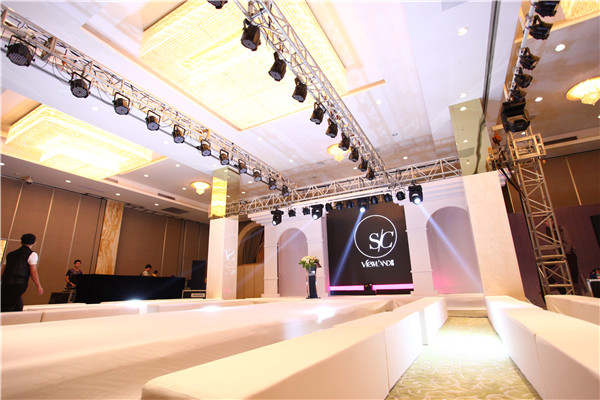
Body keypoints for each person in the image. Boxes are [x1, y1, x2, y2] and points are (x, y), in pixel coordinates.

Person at [1, 233, 43, 312]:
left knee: (12, 303)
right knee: (10, 306)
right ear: (34, 243)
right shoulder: (32, 254)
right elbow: (33, 272)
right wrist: (38, 286)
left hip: (6, 282)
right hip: (19, 283)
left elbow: (3, 269)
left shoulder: (10, 254)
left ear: (21, 242)